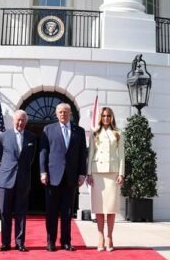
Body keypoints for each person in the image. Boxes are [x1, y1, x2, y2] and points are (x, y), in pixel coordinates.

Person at [39, 103, 88, 252]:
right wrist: (43, 172)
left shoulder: (79, 131)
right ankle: (51, 241)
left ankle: (66, 241)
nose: (63, 115)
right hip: (53, 177)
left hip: (71, 177)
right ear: (56, 114)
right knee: (51, 212)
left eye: (65, 112)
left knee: (67, 212)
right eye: (60, 112)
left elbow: (82, 155)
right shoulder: (48, 130)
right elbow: (43, 153)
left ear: (70, 114)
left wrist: (82, 174)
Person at [86, 107, 125, 252]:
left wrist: (121, 173)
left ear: (112, 117)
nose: (106, 118)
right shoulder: (95, 133)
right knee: (99, 208)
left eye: (108, 116)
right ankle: (101, 236)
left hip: (113, 173)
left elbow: (121, 155)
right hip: (97, 173)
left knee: (111, 208)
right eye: (103, 116)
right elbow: (91, 154)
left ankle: (110, 236)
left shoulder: (118, 133)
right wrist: (89, 173)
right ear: (100, 117)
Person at [0, 110, 36, 252]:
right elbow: (2, 156)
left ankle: (20, 242)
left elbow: (31, 159)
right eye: (18, 120)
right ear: (13, 120)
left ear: (26, 122)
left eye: (23, 120)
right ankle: (5, 242)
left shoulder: (32, 137)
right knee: (5, 213)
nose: (20, 123)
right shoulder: (3, 136)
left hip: (23, 180)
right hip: (6, 179)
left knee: (21, 213)